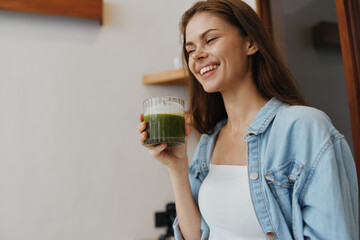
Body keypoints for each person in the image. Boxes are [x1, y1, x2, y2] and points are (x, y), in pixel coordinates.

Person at [138, 0, 359, 239]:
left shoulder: (305, 128)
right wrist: (177, 167)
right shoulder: (209, 142)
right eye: (190, 50)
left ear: (251, 42)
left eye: (210, 39)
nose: (198, 55)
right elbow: (195, 236)